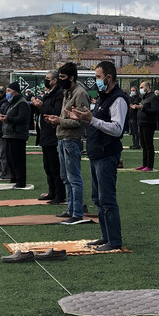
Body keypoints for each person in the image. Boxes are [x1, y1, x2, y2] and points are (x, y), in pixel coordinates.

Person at [66, 60, 128, 249]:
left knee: (107, 198)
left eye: (99, 77)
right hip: (96, 154)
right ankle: (105, 236)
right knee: (97, 199)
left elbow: (117, 129)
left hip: (107, 154)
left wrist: (92, 120)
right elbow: (96, 122)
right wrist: (83, 119)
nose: (97, 81)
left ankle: (114, 240)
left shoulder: (118, 99)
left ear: (109, 77)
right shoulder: (103, 96)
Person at [45, 62, 90, 225]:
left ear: (71, 77)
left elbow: (81, 121)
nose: (60, 80)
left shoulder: (80, 94)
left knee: (74, 178)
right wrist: (55, 120)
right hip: (62, 138)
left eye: (63, 77)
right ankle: (71, 208)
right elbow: (65, 117)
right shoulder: (67, 92)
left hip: (72, 139)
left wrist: (60, 121)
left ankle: (77, 212)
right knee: (65, 177)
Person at [32, 70, 66, 204]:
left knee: (55, 167)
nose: (45, 81)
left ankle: (59, 194)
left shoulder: (59, 94)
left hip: (53, 135)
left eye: (47, 78)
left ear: (54, 80)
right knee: (48, 167)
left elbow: (56, 112)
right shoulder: (48, 94)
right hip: (45, 135)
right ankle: (52, 192)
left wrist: (42, 106)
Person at [0, 82, 31, 188]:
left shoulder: (22, 103)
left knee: (18, 159)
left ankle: (21, 181)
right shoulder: (12, 103)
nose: (7, 93)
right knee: (11, 158)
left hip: (18, 135)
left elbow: (22, 118)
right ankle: (14, 177)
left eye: (8, 91)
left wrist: (7, 119)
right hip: (10, 134)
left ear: (15, 92)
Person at [135, 81, 159, 172]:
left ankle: (149, 165)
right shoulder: (144, 98)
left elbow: (155, 111)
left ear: (147, 87)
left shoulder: (153, 98)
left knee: (148, 144)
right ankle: (144, 164)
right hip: (142, 123)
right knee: (143, 144)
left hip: (149, 124)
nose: (141, 89)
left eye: (142, 87)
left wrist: (143, 108)